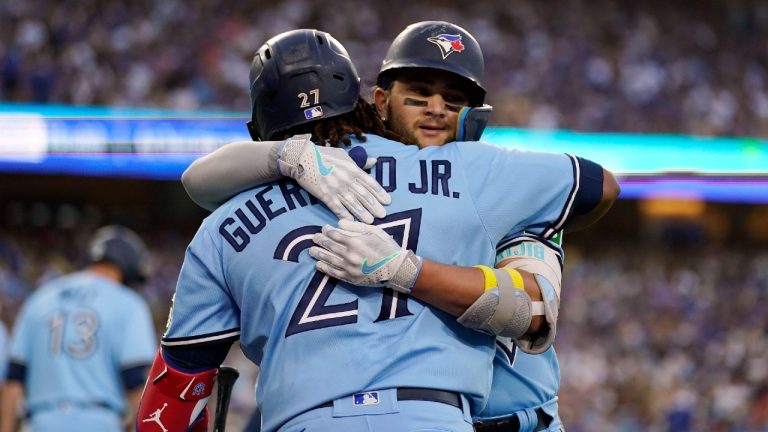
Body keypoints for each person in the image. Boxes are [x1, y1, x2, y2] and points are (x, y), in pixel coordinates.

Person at [163, 27, 615, 432]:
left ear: (476, 115)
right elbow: (198, 179)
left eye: (454, 100)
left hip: (512, 419)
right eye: (418, 93)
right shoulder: (348, 173)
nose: (436, 110)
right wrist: (288, 157)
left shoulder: (500, 188)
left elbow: (529, 312)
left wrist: (406, 270)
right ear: (377, 102)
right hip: (428, 413)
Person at [0, 226, 157, 432]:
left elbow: (13, 383)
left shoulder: (40, 298)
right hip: (99, 423)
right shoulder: (129, 303)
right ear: (126, 269)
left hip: (39, 422)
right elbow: (138, 385)